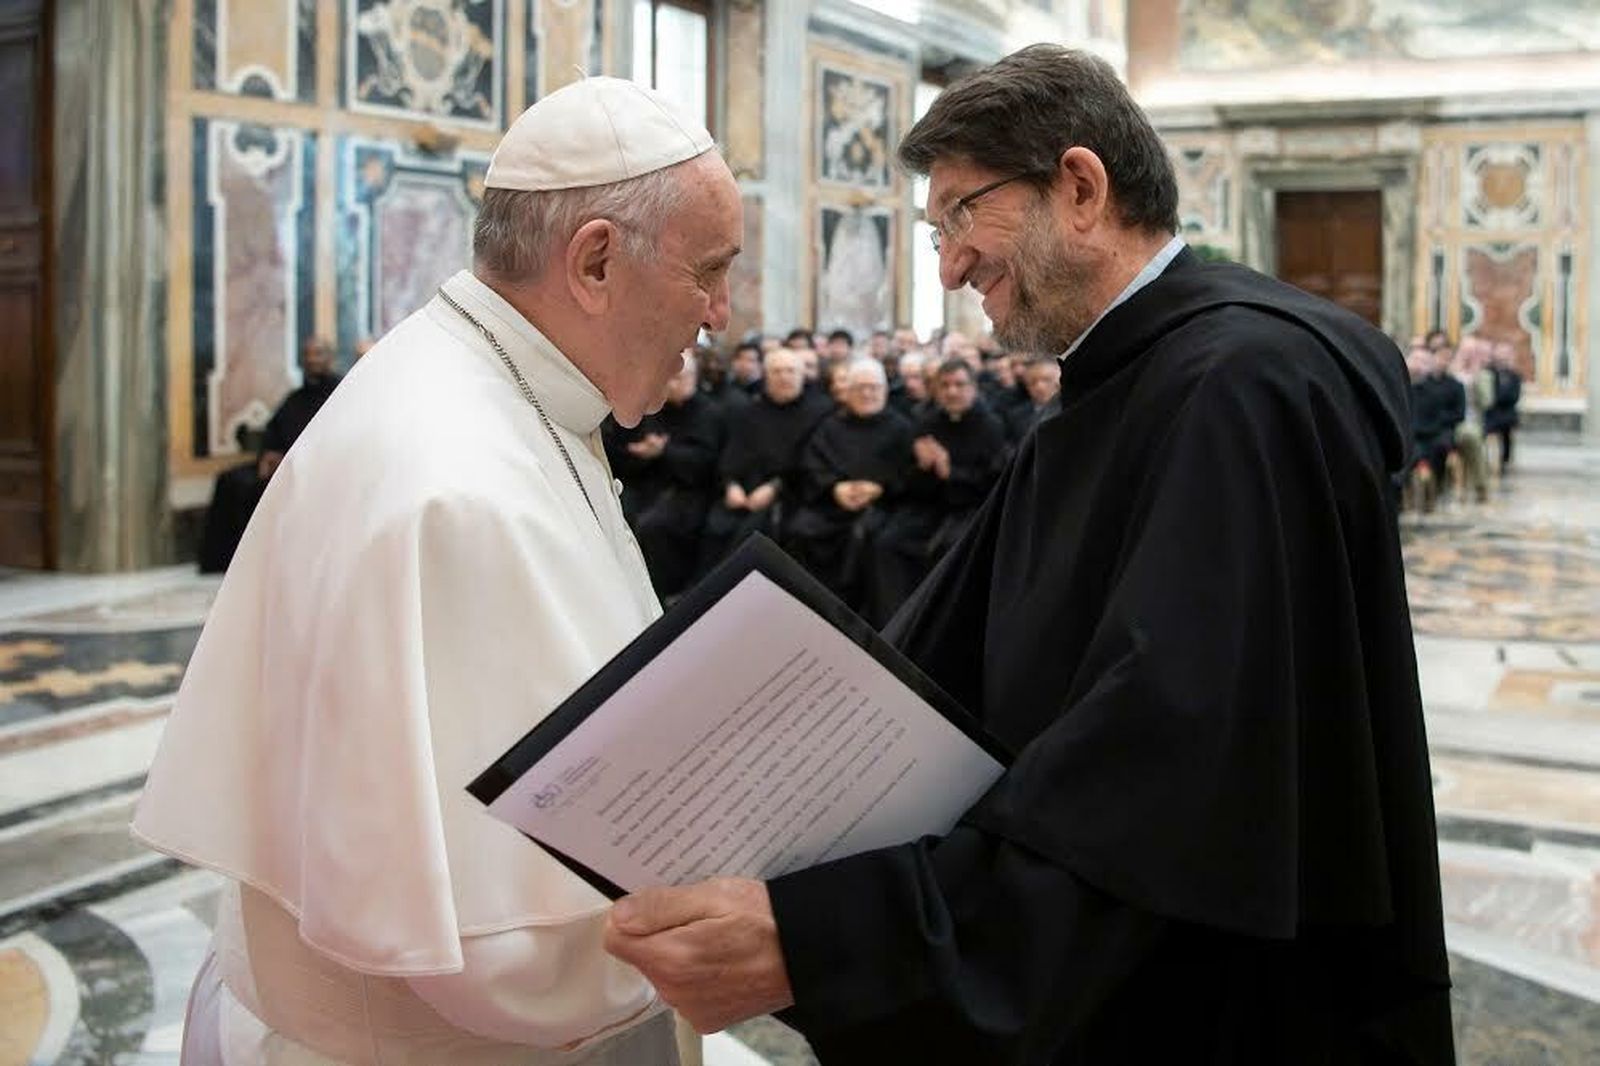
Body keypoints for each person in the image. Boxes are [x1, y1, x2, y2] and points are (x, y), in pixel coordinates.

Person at [604, 44, 1452, 1064]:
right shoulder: (1130, 379)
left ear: (1081, 187)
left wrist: (844, 935)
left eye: (962, 214)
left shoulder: (1238, 385)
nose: (950, 264)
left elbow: (1161, 772)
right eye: (935, 231)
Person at [134, 76, 744, 1065]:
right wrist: (742, 911)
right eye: (710, 270)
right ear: (594, 260)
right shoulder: (454, 484)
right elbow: (500, 950)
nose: (720, 311)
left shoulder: (479, 380)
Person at [870, 358, 1008, 625]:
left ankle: (938, 625)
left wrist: (950, 472)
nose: (952, 391)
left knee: (949, 549)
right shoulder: (926, 423)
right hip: (929, 507)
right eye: (945, 385)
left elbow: (993, 481)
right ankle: (895, 623)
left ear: (973, 388)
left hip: (971, 510)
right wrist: (923, 468)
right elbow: (907, 482)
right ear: (936, 390)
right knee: (887, 543)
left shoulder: (991, 425)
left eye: (959, 384)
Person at [196, 336, 341, 574]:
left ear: (330, 358)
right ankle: (225, 563)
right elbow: (275, 430)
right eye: (308, 354)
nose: (311, 360)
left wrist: (292, 460)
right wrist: (268, 454)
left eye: (318, 354)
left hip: (314, 468)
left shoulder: (339, 393)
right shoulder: (296, 397)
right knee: (230, 481)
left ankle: (263, 562)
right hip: (281, 463)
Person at [784, 359, 912, 612]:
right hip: (832, 505)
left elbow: (911, 475)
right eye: (860, 387)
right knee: (801, 529)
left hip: (886, 507)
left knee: (870, 537)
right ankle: (810, 609)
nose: (867, 393)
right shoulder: (830, 426)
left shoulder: (902, 428)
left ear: (885, 391)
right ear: (847, 392)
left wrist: (880, 488)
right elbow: (811, 466)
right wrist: (834, 488)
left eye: (873, 387)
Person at [606, 350, 726, 598]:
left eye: (680, 378)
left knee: (655, 526)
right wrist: (642, 453)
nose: (672, 384)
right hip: (646, 482)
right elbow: (623, 447)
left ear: (693, 378)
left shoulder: (710, 412)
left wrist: (665, 452)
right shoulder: (652, 408)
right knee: (616, 513)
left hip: (688, 491)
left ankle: (658, 595)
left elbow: (705, 462)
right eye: (669, 378)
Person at [699, 347, 831, 570]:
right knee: (716, 526)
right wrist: (732, 484)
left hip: (790, 493)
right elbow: (733, 453)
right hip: (746, 489)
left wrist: (775, 487)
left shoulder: (820, 411)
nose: (784, 377)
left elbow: (809, 462)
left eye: (790, 371)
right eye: (777, 371)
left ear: (802, 376)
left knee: (751, 531)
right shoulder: (750, 411)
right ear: (766, 376)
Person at [1482, 339, 1522, 473]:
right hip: (1491, 412)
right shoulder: (1487, 372)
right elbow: (1486, 395)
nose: (1502, 356)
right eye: (1500, 353)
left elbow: (1514, 397)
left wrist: (1499, 397)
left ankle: (1505, 459)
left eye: (1506, 353)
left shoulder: (1514, 376)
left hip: (1507, 412)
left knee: (1507, 426)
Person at [1004, 355, 1061, 442]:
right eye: (1033, 382)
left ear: (1058, 379)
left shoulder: (1073, 406)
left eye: (1046, 379)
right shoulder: (1016, 417)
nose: (1040, 387)